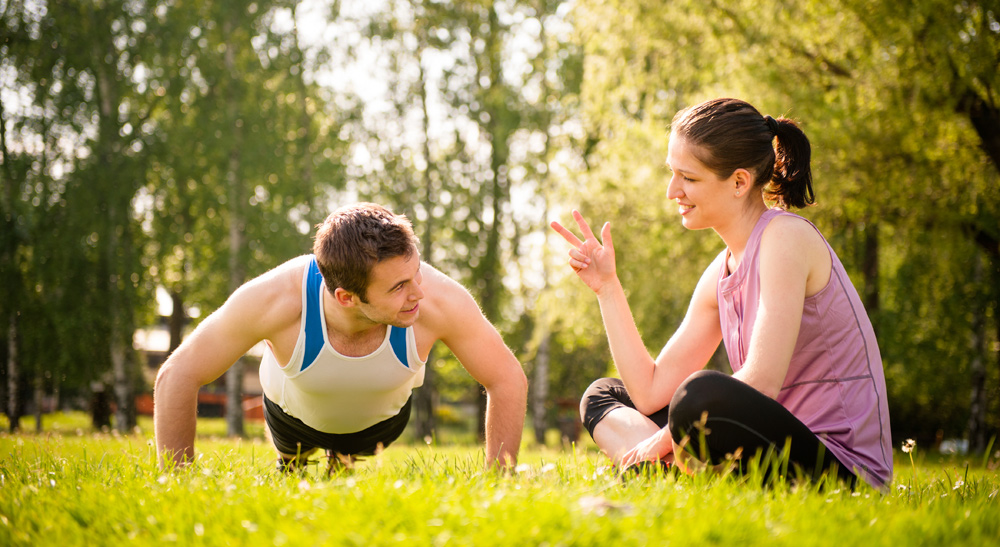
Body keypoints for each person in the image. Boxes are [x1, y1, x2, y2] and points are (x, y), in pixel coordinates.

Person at [552, 97, 892, 488]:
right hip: (763, 450)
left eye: (689, 178)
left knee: (700, 396)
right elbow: (648, 393)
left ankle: (659, 468)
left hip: (839, 470)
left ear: (739, 182)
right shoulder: (722, 271)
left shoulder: (786, 238)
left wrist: (662, 438)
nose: (671, 191)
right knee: (604, 395)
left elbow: (762, 381)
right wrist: (607, 287)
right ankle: (670, 474)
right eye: (672, 173)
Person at [155, 202, 527, 472]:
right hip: (291, 419)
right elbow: (178, 374)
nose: (418, 293)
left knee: (349, 458)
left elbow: (507, 377)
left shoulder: (439, 299)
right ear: (346, 297)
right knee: (293, 465)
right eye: (399, 287)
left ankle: (344, 458)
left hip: (380, 425)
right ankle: (292, 461)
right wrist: (179, 480)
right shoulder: (277, 299)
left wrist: (500, 479)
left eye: (416, 273)